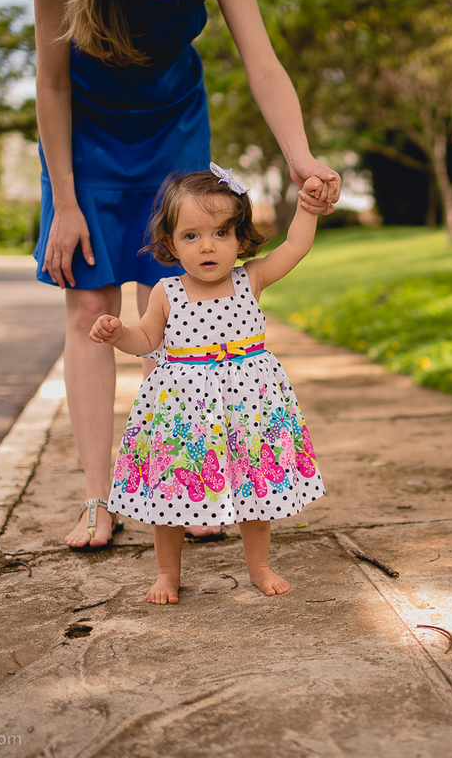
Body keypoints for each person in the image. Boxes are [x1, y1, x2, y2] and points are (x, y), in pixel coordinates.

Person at [33, 0, 340, 552]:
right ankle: (97, 499)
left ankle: (186, 488)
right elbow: (51, 81)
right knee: (89, 307)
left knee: (172, 305)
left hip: (171, 129)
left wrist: (300, 157)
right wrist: (65, 203)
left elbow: (262, 63)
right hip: (81, 136)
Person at [89, 164, 332, 603]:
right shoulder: (167, 292)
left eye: (221, 233)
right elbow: (146, 339)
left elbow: (295, 246)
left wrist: (308, 208)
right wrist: (118, 334)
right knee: (173, 492)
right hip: (186, 414)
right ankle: (167, 572)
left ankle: (259, 565)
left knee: (254, 486)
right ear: (170, 243)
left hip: (249, 408)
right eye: (191, 235)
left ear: (241, 238)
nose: (207, 246)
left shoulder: (250, 278)